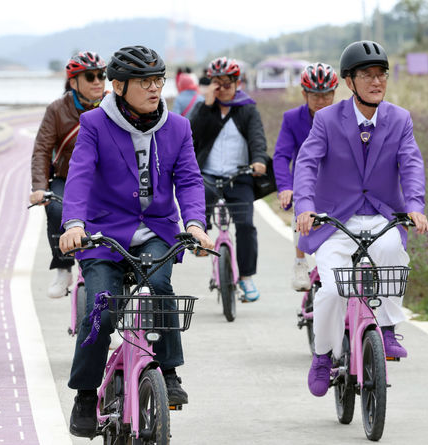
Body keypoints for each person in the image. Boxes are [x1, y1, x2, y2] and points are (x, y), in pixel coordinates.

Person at [58, 45, 214, 437]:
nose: (155, 87)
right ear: (119, 86)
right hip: (103, 234)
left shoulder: (178, 126)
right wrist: (74, 223)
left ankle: (169, 370)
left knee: (159, 285)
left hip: (158, 230)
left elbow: (191, 180)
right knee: (101, 308)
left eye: (159, 79)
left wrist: (195, 223)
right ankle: (84, 393)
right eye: (145, 81)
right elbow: (79, 174)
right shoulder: (94, 124)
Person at [294, 40, 428, 397]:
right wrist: (305, 206)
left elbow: (411, 163)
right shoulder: (326, 120)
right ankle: (323, 355)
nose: (376, 81)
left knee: (392, 256)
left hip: (382, 215)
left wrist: (414, 205)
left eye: (381, 74)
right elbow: (307, 163)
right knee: (332, 290)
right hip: (335, 220)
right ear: (349, 82)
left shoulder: (399, 119)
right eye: (367, 75)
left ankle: (386, 329)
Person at [189, 57, 268, 301]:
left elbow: (257, 139)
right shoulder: (204, 108)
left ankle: (246, 277)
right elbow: (190, 134)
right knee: (198, 200)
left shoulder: (247, 109)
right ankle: (201, 242)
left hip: (239, 175)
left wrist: (259, 161)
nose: (222, 88)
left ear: (237, 83)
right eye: (216, 83)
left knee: (245, 225)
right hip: (209, 175)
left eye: (227, 83)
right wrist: (206, 104)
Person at [29, 51, 108, 298]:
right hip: (68, 177)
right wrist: (39, 188)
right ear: (73, 82)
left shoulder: (114, 105)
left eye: (102, 75)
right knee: (54, 207)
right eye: (90, 76)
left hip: (106, 180)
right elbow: (42, 149)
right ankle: (63, 267)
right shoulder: (57, 109)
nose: (98, 81)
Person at [273, 63, 339, 291]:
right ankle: (300, 262)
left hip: (337, 182)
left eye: (326, 95)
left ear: (335, 93)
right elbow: (281, 155)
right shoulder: (292, 119)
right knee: (300, 212)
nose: (321, 100)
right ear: (304, 94)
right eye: (315, 95)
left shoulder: (345, 117)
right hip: (304, 182)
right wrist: (285, 187)